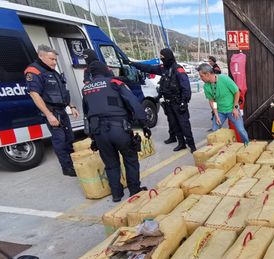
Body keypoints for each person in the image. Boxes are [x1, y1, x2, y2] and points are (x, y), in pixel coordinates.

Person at [81, 61, 148, 202]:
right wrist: (143, 123)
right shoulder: (115, 83)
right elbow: (133, 102)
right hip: (119, 128)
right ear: (105, 70)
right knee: (130, 160)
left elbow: (87, 113)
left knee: (111, 164)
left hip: (99, 132)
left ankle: (117, 194)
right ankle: (134, 190)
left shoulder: (86, 89)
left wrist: (93, 137)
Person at [24, 44, 79, 176]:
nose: (55, 62)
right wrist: (49, 115)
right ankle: (67, 168)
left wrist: (71, 106)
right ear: (41, 56)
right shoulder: (33, 71)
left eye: (55, 59)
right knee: (60, 140)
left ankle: (75, 164)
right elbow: (34, 94)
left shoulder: (51, 71)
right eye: (51, 59)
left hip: (62, 111)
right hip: (52, 112)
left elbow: (62, 91)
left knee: (69, 138)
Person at [128, 48, 195, 151]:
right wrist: (133, 63)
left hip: (178, 102)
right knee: (174, 124)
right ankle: (181, 143)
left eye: (163, 57)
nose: (162, 60)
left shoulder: (178, 69)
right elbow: (148, 68)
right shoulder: (163, 68)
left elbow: (186, 87)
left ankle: (192, 146)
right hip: (168, 103)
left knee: (184, 125)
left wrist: (183, 102)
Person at [197, 63, 249, 144]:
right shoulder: (206, 86)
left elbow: (236, 92)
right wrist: (216, 115)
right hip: (220, 112)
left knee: (241, 130)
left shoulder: (224, 79)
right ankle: (218, 150)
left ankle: (247, 145)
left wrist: (235, 108)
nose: (200, 78)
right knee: (215, 130)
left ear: (207, 74)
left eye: (201, 76)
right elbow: (212, 101)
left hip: (232, 109)